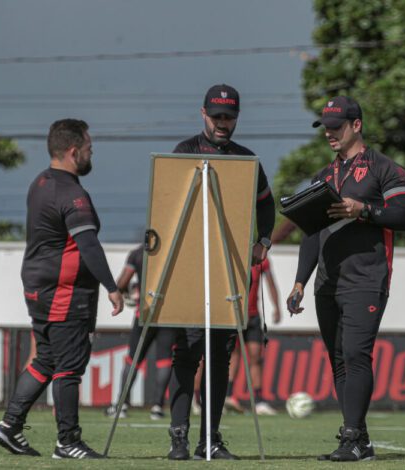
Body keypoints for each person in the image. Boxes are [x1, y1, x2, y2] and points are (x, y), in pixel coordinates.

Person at [287, 96, 405, 462]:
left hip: (367, 279)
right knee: (339, 360)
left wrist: (364, 210)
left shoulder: (385, 169)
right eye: (325, 127)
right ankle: (359, 439)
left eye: (336, 126)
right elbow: (311, 233)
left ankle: (352, 437)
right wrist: (299, 282)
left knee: (357, 354)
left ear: (356, 125)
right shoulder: (322, 177)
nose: (329, 133)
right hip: (327, 283)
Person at [0, 119, 123, 459]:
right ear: (73, 151)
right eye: (89, 148)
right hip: (64, 293)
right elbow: (88, 245)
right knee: (69, 367)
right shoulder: (71, 193)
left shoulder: (40, 183)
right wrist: (112, 287)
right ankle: (68, 442)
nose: (92, 153)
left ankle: (10, 425)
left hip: (38, 289)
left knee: (46, 360)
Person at [166, 84, 275, 460]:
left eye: (228, 117)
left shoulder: (247, 160)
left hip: (228, 274)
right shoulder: (185, 151)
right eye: (216, 117)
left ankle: (209, 440)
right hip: (188, 274)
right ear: (204, 114)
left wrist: (263, 241)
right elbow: (165, 204)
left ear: (237, 118)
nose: (222, 123)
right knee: (186, 355)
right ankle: (178, 439)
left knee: (219, 359)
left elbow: (266, 206)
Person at [105, 243, 176, 420]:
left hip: (144, 313)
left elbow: (122, 282)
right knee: (164, 360)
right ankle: (157, 407)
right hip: (169, 314)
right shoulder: (174, 250)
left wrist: (127, 291)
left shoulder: (139, 253)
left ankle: (121, 405)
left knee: (133, 359)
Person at [225, 257, 281, 415]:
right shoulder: (235, 256)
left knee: (256, 356)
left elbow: (271, 283)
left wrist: (277, 307)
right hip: (235, 316)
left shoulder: (261, 259)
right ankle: (228, 396)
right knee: (234, 354)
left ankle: (258, 401)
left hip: (253, 316)